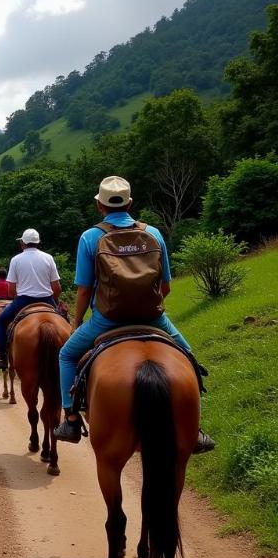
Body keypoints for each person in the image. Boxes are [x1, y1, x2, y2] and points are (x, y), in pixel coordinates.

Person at [52, 176, 214, 453]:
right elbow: (165, 286)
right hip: (152, 317)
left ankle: (70, 419)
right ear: (130, 203)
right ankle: (195, 428)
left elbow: (83, 290)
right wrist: (149, 308)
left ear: (99, 205)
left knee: (66, 355)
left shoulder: (90, 237)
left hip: (106, 319)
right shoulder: (154, 233)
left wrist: (78, 322)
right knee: (188, 357)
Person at [0, 229, 62, 370]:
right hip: (47, 300)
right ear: (38, 242)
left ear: (22, 243)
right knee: (64, 320)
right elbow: (57, 287)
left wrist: (18, 297)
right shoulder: (48, 258)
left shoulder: (16, 259)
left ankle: (1, 356)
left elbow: (11, 291)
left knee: (1, 320)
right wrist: (54, 300)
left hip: (23, 301)